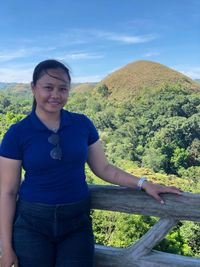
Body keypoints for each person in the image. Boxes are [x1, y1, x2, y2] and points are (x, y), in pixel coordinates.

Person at [0, 59, 181, 267]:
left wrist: (144, 183)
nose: (56, 95)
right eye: (48, 88)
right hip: (32, 224)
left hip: (76, 223)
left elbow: (104, 168)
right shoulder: (17, 133)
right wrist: (6, 247)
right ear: (33, 88)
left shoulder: (82, 124)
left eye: (63, 89)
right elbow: (7, 192)